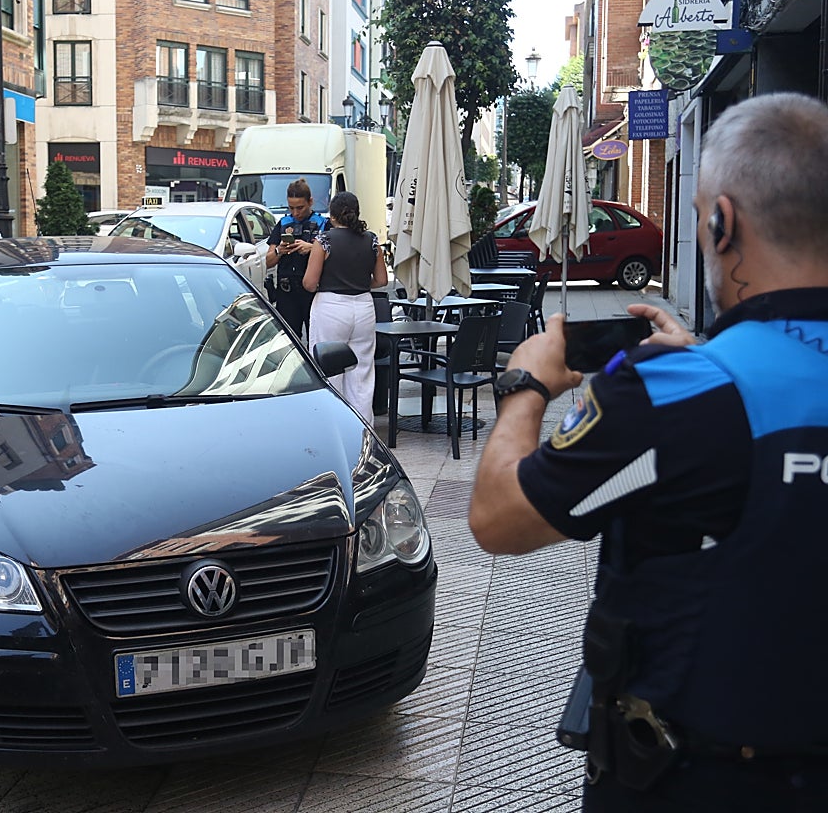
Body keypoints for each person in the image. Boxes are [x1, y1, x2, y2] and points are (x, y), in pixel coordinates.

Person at [468, 92, 828, 811]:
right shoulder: (693, 384)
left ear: (722, 222)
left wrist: (526, 385)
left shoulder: (673, 398)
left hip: (692, 780)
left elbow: (499, 517)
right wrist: (704, 357)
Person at [302, 191, 387, 425]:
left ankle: (334, 427)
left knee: (329, 371)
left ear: (332, 215)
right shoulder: (371, 240)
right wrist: (359, 284)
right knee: (362, 373)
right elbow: (381, 281)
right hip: (363, 307)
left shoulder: (323, 241)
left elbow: (309, 283)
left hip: (330, 306)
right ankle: (363, 430)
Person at [265, 178, 328, 341]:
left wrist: (312, 249)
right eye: (291, 208)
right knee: (289, 341)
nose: (295, 213)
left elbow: (335, 257)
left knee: (316, 340)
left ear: (310, 202)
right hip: (287, 292)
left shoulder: (322, 224)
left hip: (313, 292)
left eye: (300, 207)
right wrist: (280, 250)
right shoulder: (284, 223)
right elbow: (268, 261)